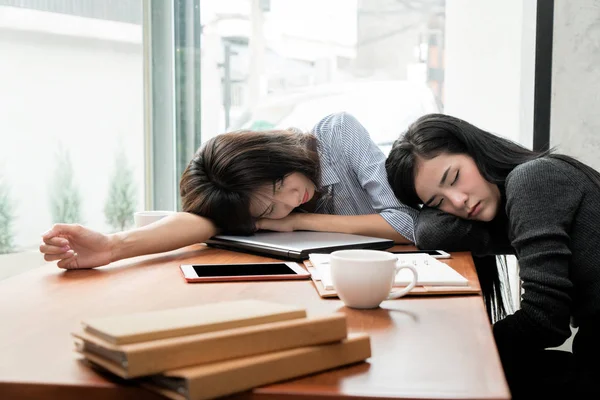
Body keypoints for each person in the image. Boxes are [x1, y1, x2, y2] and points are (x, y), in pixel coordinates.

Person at [385, 113, 600, 398]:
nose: (458, 201)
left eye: (454, 177)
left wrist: (468, 344)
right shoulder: (508, 210)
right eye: (438, 202)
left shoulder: (534, 179)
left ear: (476, 151)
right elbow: (430, 232)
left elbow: (544, 321)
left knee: (454, 375)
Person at [40, 112, 417, 269]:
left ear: (272, 157)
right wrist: (112, 246)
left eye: (277, 184)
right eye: (269, 210)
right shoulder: (246, 203)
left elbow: (407, 223)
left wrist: (297, 222)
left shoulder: (337, 132)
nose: (289, 201)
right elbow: (202, 223)